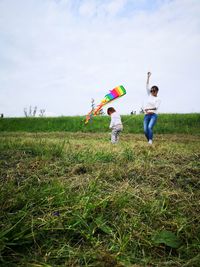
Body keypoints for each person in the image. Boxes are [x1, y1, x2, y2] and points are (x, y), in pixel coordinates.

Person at [143, 72, 161, 145]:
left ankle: (150, 141)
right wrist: (148, 77)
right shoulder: (149, 95)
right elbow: (147, 85)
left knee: (149, 127)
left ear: (156, 91)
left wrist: (148, 109)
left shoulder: (158, 99)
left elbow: (156, 107)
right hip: (147, 115)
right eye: (151, 90)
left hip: (153, 115)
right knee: (145, 130)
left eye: (153, 91)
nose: (152, 92)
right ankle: (149, 141)